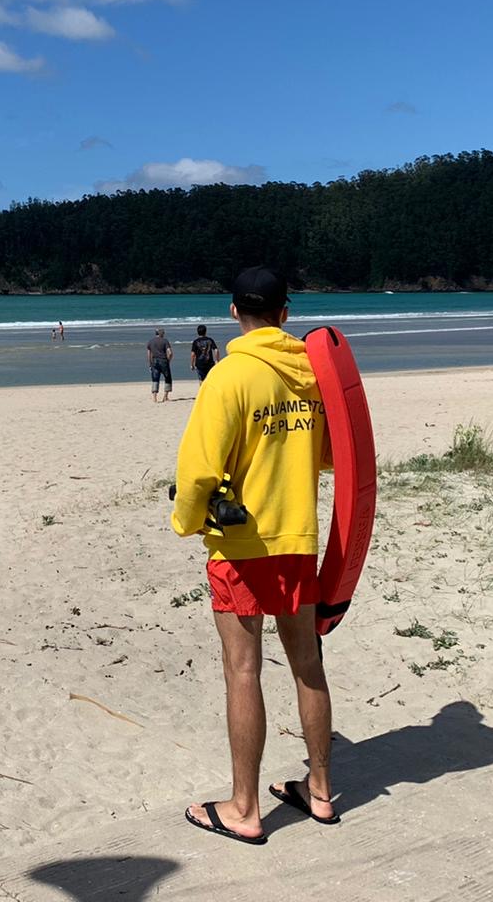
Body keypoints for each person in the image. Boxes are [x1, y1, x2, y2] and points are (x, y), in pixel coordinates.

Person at [171, 267, 334, 844]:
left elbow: (196, 473)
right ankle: (319, 792)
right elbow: (337, 457)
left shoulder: (229, 375)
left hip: (241, 549)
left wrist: (185, 524)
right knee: (307, 666)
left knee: (243, 670)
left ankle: (244, 808)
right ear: (286, 313)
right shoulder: (315, 375)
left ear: (234, 311)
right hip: (298, 541)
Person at [146, 327, 173, 403]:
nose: (164, 334)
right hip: (164, 361)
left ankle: (155, 398)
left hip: (154, 361)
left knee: (155, 379)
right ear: (161, 333)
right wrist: (169, 360)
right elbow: (170, 352)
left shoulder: (151, 341)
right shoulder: (165, 341)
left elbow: (149, 354)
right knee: (167, 378)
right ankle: (165, 396)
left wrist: (150, 363)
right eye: (163, 333)